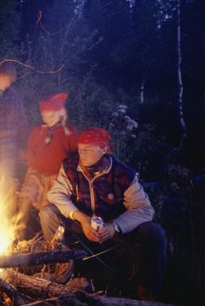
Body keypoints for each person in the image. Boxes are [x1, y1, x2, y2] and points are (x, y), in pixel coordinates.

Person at [39, 127, 166, 300]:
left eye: (88, 149)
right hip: (82, 223)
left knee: (154, 232)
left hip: (114, 228)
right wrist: (80, 217)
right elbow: (56, 193)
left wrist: (114, 226)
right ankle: (63, 268)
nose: (82, 153)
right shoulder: (70, 166)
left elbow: (144, 209)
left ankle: (147, 291)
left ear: (104, 149)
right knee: (48, 213)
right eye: (80, 148)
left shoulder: (122, 174)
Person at [16, 92, 78, 238]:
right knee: (26, 196)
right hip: (37, 172)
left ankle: (50, 235)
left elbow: (75, 156)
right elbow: (30, 151)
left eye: (51, 116)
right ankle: (20, 229)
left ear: (60, 114)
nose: (47, 119)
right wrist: (33, 162)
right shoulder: (38, 131)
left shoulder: (69, 132)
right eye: (44, 116)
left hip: (58, 175)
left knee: (49, 205)